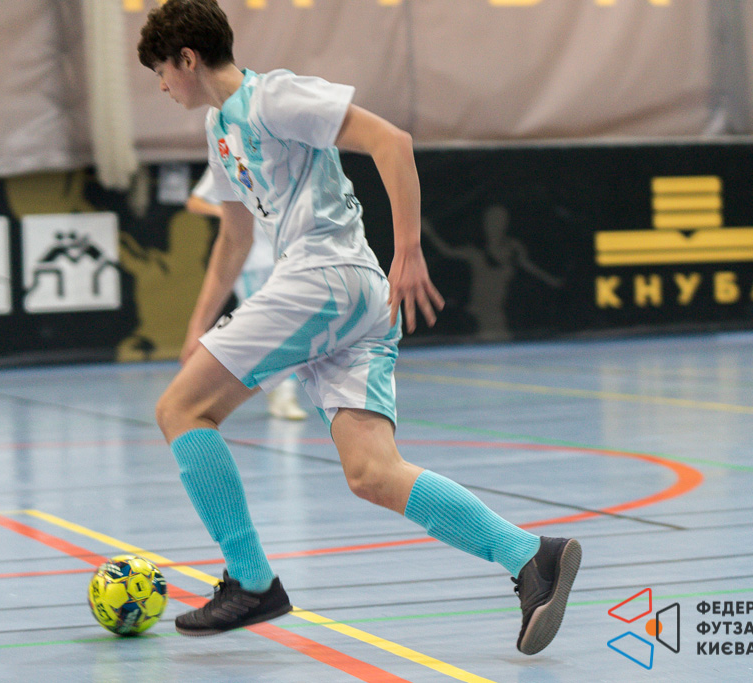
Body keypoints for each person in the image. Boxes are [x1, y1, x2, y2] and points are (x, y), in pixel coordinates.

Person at [138, 0, 580, 655]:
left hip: (324, 278)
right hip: (352, 300)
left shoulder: (274, 97)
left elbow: (390, 141)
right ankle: (529, 556)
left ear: (187, 58)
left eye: (160, 72)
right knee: (373, 472)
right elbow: (233, 237)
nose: (161, 86)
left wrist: (409, 249)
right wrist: (197, 329)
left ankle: (251, 580)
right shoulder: (218, 128)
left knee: (180, 410)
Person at [185, 167, 308, 420]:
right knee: (263, 327)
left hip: (286, 257)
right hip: (249, 262)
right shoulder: (229, 159)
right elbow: (194, 201)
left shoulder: (284, 161)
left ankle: (283, 390)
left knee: (287, 324)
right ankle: (276, 389)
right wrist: (226, 213)